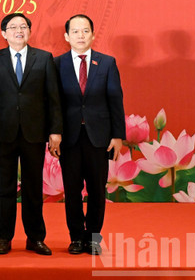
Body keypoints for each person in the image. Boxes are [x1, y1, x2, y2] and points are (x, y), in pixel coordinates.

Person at [0, 12, 62, 256]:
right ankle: (4, 237)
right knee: (3, 188)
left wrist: (55, 131)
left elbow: (53, 98)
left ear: (29, 31)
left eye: (23, 26)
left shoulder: (44, 58)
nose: (18, 30)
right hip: (3, 134)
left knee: (32, 188)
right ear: (3, 33)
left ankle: (35, 238)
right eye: (12, 27)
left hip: (34, 133)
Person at [55, 14, 125, 256]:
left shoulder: (107, 63)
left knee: (97, 189)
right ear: (66, 36)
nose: (80, 36)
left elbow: (115, 100)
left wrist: (117, 135)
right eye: (75, 31)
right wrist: (54, 133)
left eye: (85, 31)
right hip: (69, 137)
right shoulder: (57, 64)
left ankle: (94, 237)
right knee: (72, 189)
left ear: (93, 35)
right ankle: (75, 237)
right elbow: (53, 103)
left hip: (99, 137)